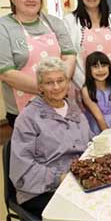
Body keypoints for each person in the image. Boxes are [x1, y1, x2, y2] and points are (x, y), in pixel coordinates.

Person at [10, 57, 93, 219]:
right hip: (41, 190)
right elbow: (21, 168)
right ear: (40, 86)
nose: (56, 87)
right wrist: (59, 178)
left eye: (60, 80)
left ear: (67, 82)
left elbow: (88, 142)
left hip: (76, 180)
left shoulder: (72, 107)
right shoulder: (28, 118)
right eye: (49, 83)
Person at [0, 0, 76, 127]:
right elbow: (6, 73)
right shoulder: (4, 27)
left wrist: (58, 87)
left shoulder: (53, 22)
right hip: (24, 108)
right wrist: (51, 88)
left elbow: (70, 56)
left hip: (60, 103)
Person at [82, 51, 111, 135]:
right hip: (97, 128)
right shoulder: (86, 90)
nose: (100, 70)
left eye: (104, 66)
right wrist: (108, 135)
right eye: (95, 66)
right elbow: (98, 117)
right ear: (89, 70)